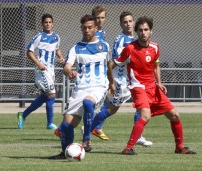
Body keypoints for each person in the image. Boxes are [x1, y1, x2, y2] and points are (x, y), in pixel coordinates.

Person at [108, 16, 197, 155]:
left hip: (153, 87)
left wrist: (159, 82)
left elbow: (156, 65)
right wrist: (111, 82)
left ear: (151, 31)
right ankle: (128, 148)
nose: (143, 33)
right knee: (145, 115)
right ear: (137, 32)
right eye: (140, 30)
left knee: (175, 115)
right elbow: (111, 64)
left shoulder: (155, 47)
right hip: (138, 87)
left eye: (146, 30)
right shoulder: (130, 48)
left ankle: (179, 147)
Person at [49, 14, 110, 159]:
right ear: (81, 28)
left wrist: (111, 84)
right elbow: (67, 66)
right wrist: (69, 71)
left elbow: (110, 65)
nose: (87, 30)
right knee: (66, 126)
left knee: (88, 102)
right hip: (80, 89)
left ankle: (87, 138)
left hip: (99, 86)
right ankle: (64, 154)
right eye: (84, 28)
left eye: (90, 27)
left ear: (96, 28)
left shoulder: (105, 46)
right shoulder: (76, 48)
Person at [90, 11, 153, 147]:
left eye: (130, 21)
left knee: (141, 107)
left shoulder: (135, 39)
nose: (128, 24)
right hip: (122, 81)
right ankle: (89, 130)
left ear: (134, 23)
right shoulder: (121, 40)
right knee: (112, 109)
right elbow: (118, 60)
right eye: (125, 22)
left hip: (134, 80)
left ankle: (138, 136)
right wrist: (112, 82)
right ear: (121, 24)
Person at [17, 13, 65, 130]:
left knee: (45, 96)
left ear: (52, 24)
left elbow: (56, 49)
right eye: (45, 22)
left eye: (49, 22)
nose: (48, 24)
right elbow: (29, 51)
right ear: (42, 24)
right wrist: (39, 63)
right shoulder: (39, 36)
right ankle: (50, 123)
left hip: (51, 70)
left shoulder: (56, 37)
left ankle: (23, 115)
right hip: (42, 70)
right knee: (52, 94)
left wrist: (61, 57)